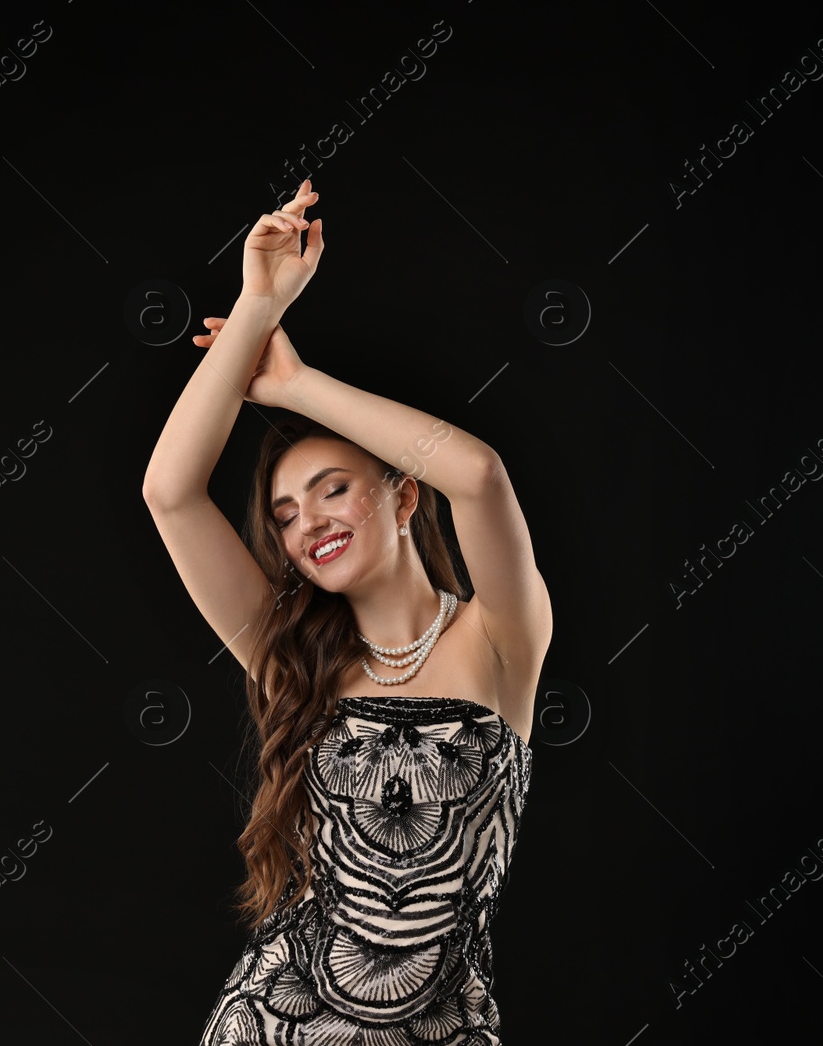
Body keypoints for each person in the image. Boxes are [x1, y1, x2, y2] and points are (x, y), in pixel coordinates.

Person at [141, 180, 553, 1044]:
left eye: (334, 490)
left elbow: (477, 475)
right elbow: (170, 492)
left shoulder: (498, 640)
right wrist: (257, 307)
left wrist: (296, 385)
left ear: (404, 497)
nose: (309, 522)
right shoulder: (291, 654)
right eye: (285, 515)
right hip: (275, 1023)